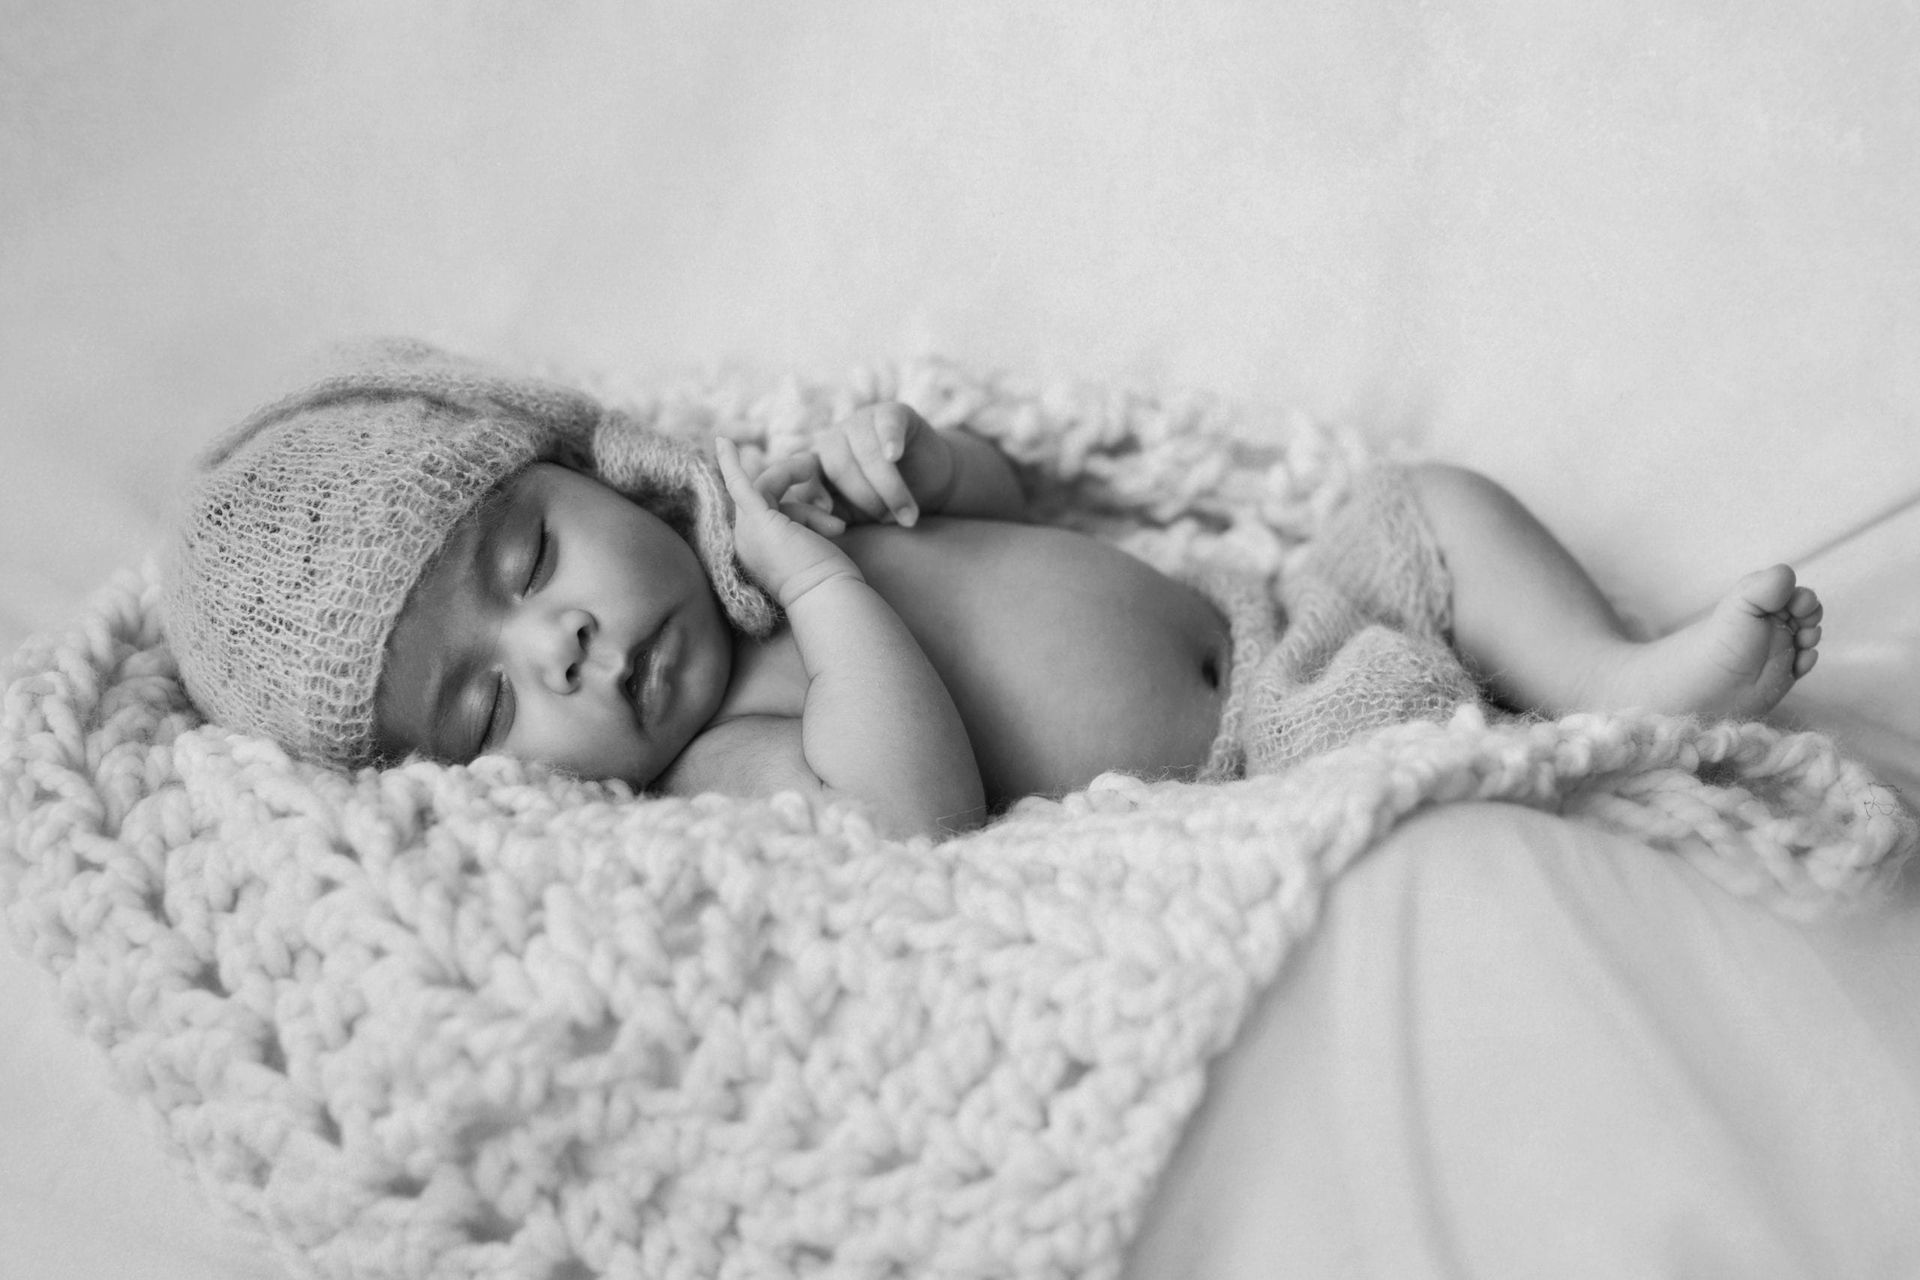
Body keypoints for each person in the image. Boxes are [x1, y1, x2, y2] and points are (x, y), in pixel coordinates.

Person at [162, 343, 1822, 840]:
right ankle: (1572, 742)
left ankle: (1614, 669)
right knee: (1424, 796)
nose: (565, 645)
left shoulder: (764, 501)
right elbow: (909, 811)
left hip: (1272, 621)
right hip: (1266, 765)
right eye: (490, 702)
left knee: (1418, 507)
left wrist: (924, 470)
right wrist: (819, 584)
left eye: (526, 563)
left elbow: (1032, 518)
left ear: (590, 469)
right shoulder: (731, 758)